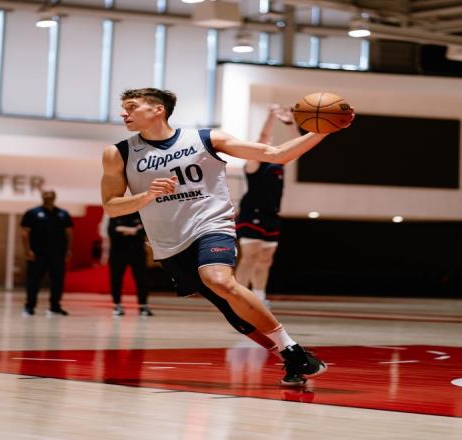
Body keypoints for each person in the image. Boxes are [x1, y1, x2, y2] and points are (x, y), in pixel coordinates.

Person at [101, 88, 353, 386]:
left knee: (218, 280)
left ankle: (291, 349)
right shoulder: (118, 153)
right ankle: (293, 356)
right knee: (230, 310)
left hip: (212, 225)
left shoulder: (206, 139)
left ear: (158, 110)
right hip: (169, 243)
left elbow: (277, 154)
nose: (124, 113)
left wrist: (323, 130)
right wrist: (145, 196)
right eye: (124, 107)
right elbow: (111, 206)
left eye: (131, 106)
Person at [235, 105, 298, 308]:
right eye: (265, 143)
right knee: (250, 257)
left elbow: (297, 146)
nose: (268, 144)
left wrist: (290, 123)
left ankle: (259, 297)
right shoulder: (253, 163)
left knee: (265, 260)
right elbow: (263, 137)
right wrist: (271, 116)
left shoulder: (278, 164)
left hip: (272, 215)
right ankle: (238, 298)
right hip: (252, 213)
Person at [21, 190, 73, 316]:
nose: (48, 197)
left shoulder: (63, 214)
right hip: (38, 254)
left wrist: (68, 250)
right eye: (46, 194)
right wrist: (27, 250)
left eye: (51, 195)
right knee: (33, 280)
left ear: (55, 197)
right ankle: (29, 306)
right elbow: (24, 233)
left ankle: (55, 307)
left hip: (58, 253)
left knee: (57, 280)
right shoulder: (32, 213)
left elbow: (69, 233)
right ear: (42, 196)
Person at [100, 212, 154, 317]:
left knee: (142, 279)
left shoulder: (140, 215)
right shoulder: (114, 215)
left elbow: (144, 231)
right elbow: (112, 232)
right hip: (118, 253)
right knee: (116, 279)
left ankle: (143, 306)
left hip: (137, 252)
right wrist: (133, 230)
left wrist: (122, 229)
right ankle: (117, 305)